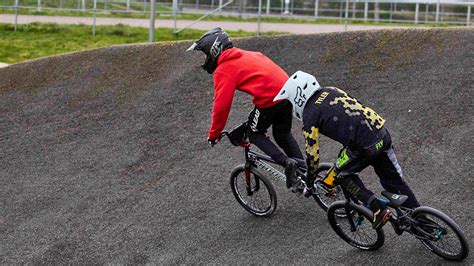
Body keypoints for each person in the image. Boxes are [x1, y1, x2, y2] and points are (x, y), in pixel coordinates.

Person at [274, 70, 420, 229]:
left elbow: (312, 156)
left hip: (362, 147)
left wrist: (309, 183)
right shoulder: (331, 90)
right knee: (393, 182)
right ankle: (422, 222)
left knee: (340, 174)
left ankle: (377, 208)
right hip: (381, 133)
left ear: (297, 97)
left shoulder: (310, 116)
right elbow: (353, 114)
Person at [186, 28, 304, 184]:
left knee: (254, 133)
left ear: (214, 50)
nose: (206, 58)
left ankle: (287, 163)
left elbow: (221, 106)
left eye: (206, 54)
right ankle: (304, 172)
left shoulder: (224, 69)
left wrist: (214, 134)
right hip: (286, 92)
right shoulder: (247, 54)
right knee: (282, 134)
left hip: (269, 99)